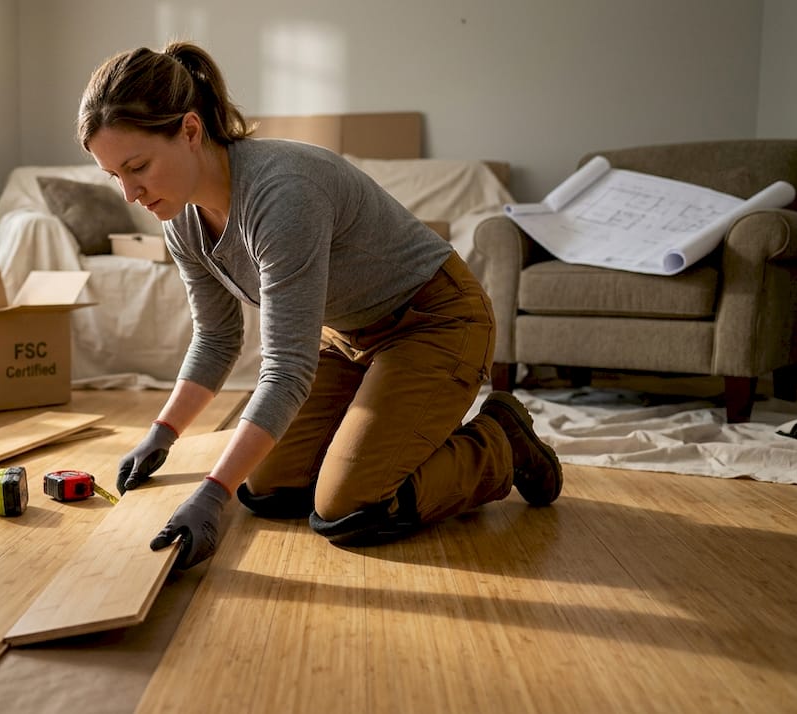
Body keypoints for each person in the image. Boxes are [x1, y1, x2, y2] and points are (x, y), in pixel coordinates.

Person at [78, 41, 562, 570]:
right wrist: (161, 434)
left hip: (435, 319)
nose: (130, 194)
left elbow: (286, 368)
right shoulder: (182, 222)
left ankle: (501, 441)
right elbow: (217, 338)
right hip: (350, 334)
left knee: (350, 509)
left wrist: (211, 493)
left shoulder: (282, 193)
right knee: (266, 489)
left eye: (138, 167)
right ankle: (389, 432)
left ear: (190, 131)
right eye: (114, 177)